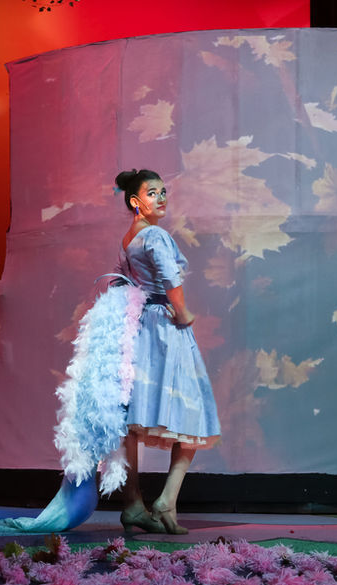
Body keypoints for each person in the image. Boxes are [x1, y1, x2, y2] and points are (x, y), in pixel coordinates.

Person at [114, 168, 221, 535]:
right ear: (135, 201)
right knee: (193, 408)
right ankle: (166, 499)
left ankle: (135, 503)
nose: (161, 198)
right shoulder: (155, 235)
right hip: (164, 324)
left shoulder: (130, 237)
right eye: (152, 193)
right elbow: (169, 277)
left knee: (134, 414)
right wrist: (183, 311)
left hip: (142, 325)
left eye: (163, 191)